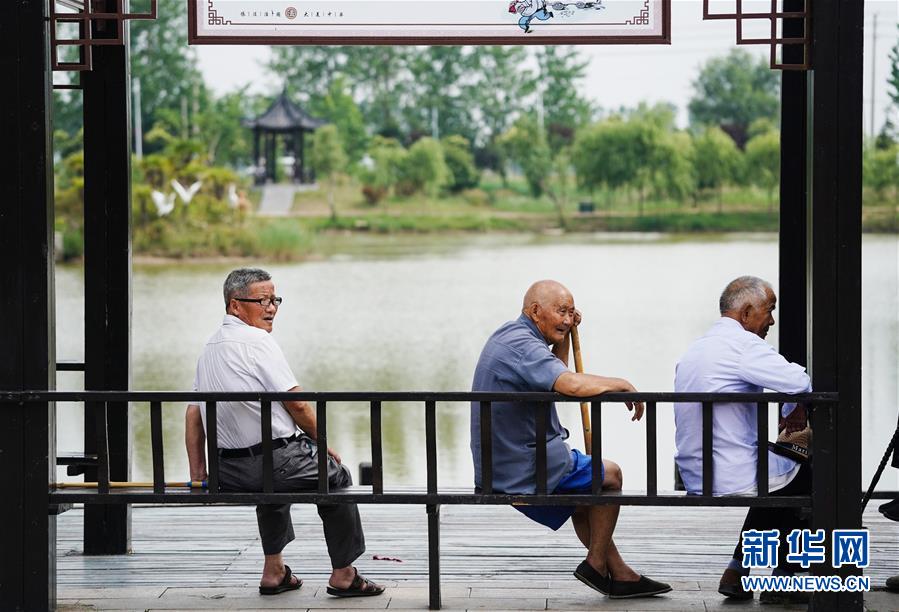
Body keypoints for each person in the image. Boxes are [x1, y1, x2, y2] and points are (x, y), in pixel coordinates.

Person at [185, 268, 385, 598]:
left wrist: (199, 474)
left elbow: (194, 412)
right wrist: (323, 443)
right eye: (262, 301)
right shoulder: (257, 342)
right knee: (336, 476)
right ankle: (344, 574)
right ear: (235, 306)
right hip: (270, 463)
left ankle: (274, 571)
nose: (272, 308)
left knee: (274, 477)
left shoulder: (210, 346)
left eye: (275, 300)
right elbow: (297, 404)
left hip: (228, 470)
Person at [470, 279, 671, 599]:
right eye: (561, 312)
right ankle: (596, 563)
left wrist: (564, 335)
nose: (567, 319)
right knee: (611, 475)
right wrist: (620, 384)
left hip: (505, 462)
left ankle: (620, 574)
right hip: (521, 465)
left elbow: (555, 373)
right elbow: (570, 384)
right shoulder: (522, 346)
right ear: (535, 311)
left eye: (571, 312)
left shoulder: (514, 335)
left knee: (585, 497)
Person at [674, 275, 812, 603]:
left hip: (696, 472)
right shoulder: (744, 346)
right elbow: (799, 380)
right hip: (730, 471)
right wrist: (794, 404)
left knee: (777, 476)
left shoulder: (698, 347)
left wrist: (790, 403)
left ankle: (737, 571)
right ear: (747, 313)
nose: (772, 321)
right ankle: (785, 579)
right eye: (770, 310)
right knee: (812, 474)